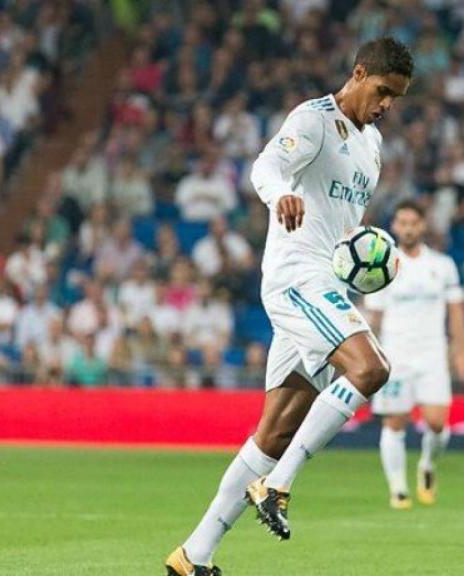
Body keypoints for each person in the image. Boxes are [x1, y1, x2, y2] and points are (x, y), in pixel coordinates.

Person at [165, 38, 412, 576]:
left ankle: (193, 554)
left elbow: (344, 229)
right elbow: (265, 167)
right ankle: (277, 485)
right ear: (359, 72)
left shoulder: (371, 146)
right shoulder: (315, 118)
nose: (387, 104)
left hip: (329, 287)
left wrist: (368, 259)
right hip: (297, 278)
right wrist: (280, 196)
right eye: (383, 91)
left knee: (274, 432)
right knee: (371, 368)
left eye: (396, 98)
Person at [364, 200, 464, 509]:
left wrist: (461, 352)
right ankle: (398, 489)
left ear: (423, 225)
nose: (408, 228)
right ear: (395, 226)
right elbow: (374, 316)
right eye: (402, 222)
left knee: (437, 422)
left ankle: (427, 464)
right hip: (394, 353)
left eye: (414, 222)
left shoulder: (442, 265)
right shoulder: (382, 265)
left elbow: (455, 312)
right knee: (395, 422)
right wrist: (366, 356)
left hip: (432, 352)